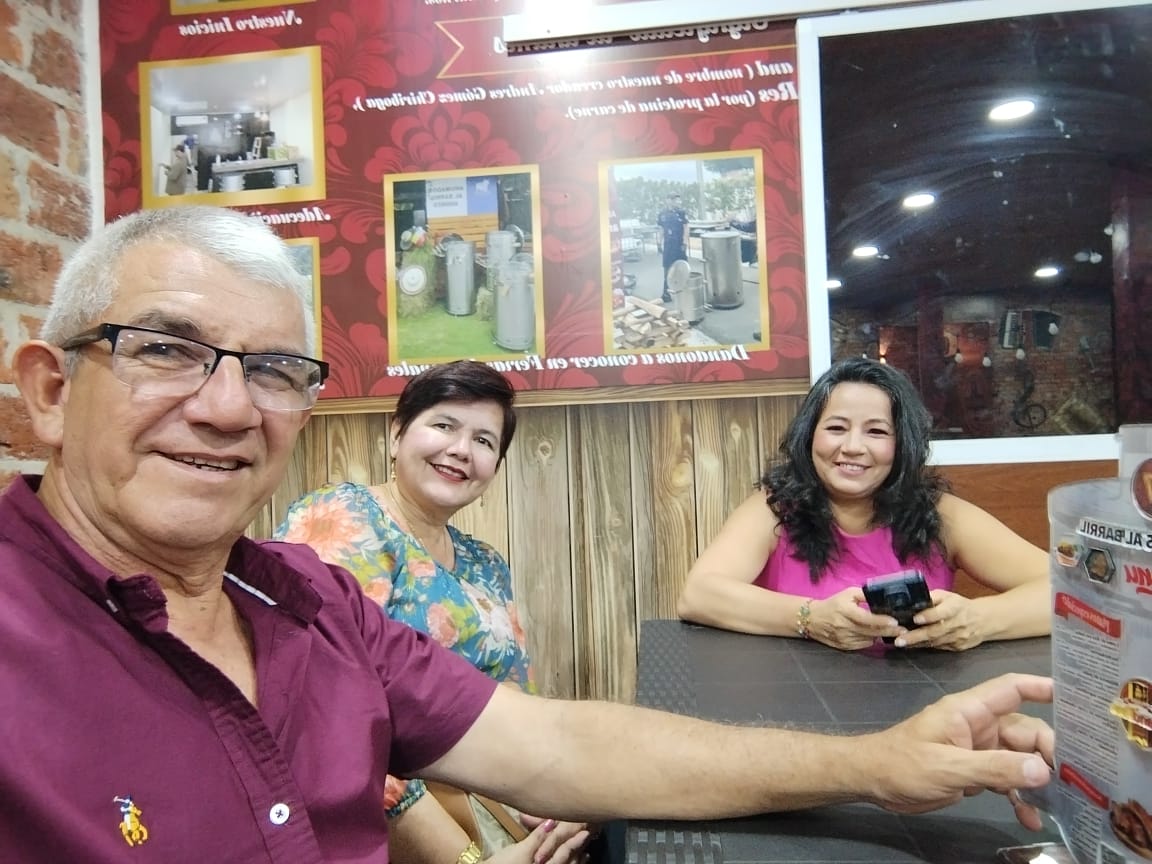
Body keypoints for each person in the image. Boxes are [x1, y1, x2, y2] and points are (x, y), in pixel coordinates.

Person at [1, 205, 1056, 864]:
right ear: (48, 394)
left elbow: (549, 742)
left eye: (274, 370)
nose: (230, 408)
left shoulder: (303, 599)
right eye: (165, 350)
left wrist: (877, 761)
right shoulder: (334, 537)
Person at [275, 361, 591, 864]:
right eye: (444, 425)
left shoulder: (486, 564)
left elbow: (515, 710)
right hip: (382, 834)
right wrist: (466, 859)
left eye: (484, 441)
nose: (462, 449)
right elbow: (324, 725)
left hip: (494, 811)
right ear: (397, 434)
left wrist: (563, 802)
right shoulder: (344, 518)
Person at [677, 357, 1051, 651]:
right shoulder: (774, 509)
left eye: (876, 431)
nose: (853, 447)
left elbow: (1067, 594)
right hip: (797, 698)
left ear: (902, 445)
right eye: (836, 428)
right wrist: (810, 619)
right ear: (810, 437)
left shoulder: (942, 514)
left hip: (921, 699)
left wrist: (979, 620)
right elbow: (699, 594)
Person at [656, 192, 689, 303]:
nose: (678, 202)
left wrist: (685, 242)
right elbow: (661, 229)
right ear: (668, 200)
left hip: (679, 245)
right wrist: (659, 243)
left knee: (682, 268)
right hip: (668, 245)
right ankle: (666, 293)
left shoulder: (681, 213)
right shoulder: (662, 214)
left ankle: (685, 292)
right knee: (667, 269)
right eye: (675, 200)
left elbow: (686, 228)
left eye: (678, 200)